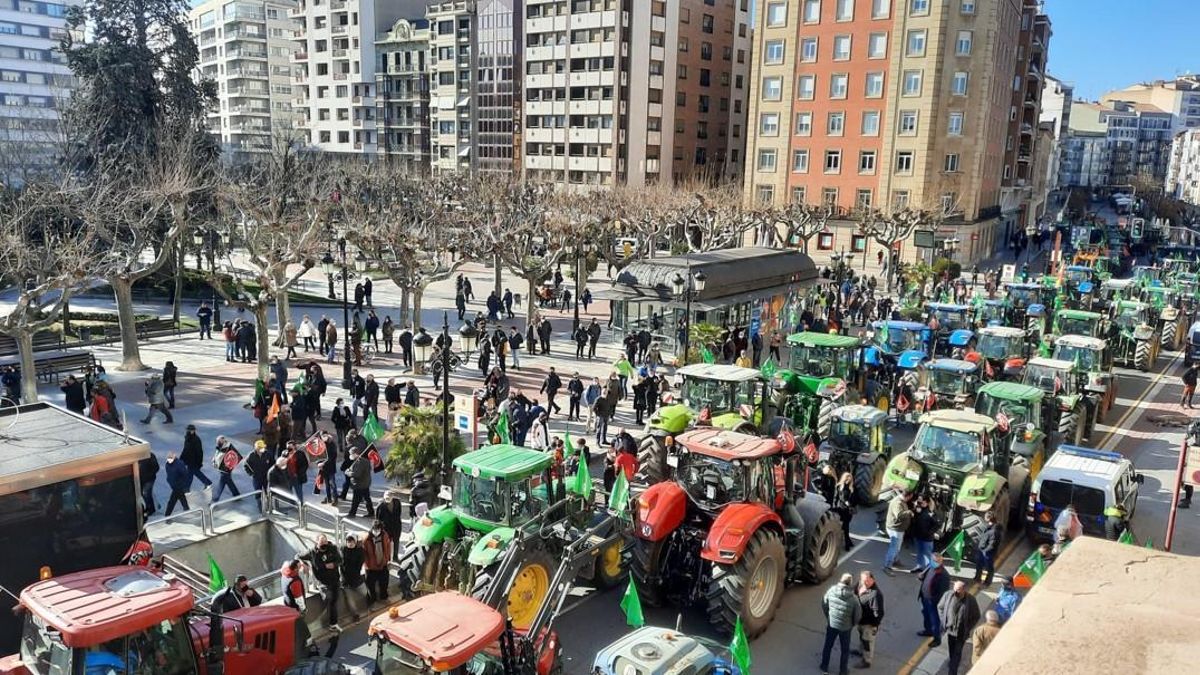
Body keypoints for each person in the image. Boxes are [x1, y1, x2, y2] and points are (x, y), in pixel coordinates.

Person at [938, 580, 981, 675]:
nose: (955, 592)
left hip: (961, 633)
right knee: (951, 649)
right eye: (954, 589)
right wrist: (943, 620)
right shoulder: (948, 595)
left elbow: (976, 616)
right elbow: (940, 607)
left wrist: (968, 627)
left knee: (957, 653)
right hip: (950, 630)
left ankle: (952, 671)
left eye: (958, 590)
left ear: (964, 590)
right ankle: (953, 661)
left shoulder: (971, 600)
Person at [820, 573, 861, 675]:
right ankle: (843, 671)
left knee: (828, 645)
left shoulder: (831, 590)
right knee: (845, 649)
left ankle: (824, 666)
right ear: (850, 583)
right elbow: (857, 615)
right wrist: (852, 624)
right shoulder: (854, 599)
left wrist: (829, 617)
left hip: (832, 624)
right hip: (845, 628)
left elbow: (824, 604)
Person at [300, 534, 342, 628]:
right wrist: (303, 564)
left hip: (335, 580)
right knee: (328, 599)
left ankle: (333, 623)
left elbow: (340, 560)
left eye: (325, 541)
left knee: (333, 602)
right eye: (321, 542)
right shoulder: (312, 553)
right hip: (323, 582)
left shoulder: (333, 548)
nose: (324, 544)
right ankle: (329, 622)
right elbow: (297, 556)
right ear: (317, 542)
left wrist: (334, 564)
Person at [918, 553, 950, 647]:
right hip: (925, 597)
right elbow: (924, 577)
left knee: (935, 620)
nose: (933, 563)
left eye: (936, 561)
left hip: (933, 602)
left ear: (941, 562)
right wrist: (921, 577)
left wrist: (933, 601)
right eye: (932, 560)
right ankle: (928, 630)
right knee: (925, 614)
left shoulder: (944, 575)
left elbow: (942, 593)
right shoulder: (930, 567)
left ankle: (937, 639)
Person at [855, 571, 884, 669]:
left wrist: (874, 625)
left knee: (867, 642)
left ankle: (867, 661)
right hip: (860, 621)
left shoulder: (875, 594)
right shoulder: (860, 585)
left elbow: (878, 612)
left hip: (869, 624)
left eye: (867, 581)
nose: (864, 583)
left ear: (872, 580)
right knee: (862, 638)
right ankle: (860, 651)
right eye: (863, 580)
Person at [882, 491, 913, 574]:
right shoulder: (898, 503)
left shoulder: (902, 501)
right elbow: (899, 515)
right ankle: (887, 566)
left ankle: (895, 560)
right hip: (895, 529)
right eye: (910, 497)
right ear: (908, 496)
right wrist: (909, 512)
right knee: (893, 547)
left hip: (899, 529)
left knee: (898, 546)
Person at [362, 520, 392, 604]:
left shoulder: (384, 535)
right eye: (375, 529)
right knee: (370, 586)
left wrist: (387, 559)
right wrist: (368, 564)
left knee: (384, 583)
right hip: (371, 568)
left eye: (379, 529)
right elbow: (364, 554)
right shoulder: (366, 539)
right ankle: (372, 602)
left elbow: (388, 547)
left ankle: (384, 598)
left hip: (383, 564)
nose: (377, 531)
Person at [340, 534, 367, 620]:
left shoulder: (360, 551)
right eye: (348, 542)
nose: (350, 544)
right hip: (346, 581)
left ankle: (370, 604)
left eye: (352, 542)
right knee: (350, 599)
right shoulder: (343, 550)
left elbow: (359, 565)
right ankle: (355, 615)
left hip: (357, 578)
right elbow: (341, 564)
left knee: (365, 592)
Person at [909, 497, 937, 573]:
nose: (921, 504)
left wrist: (929, 532)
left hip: (927, 538)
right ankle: (919, 566)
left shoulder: (931, 513)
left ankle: (928, 571)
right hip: (918, 536)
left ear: (927, 503)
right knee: (919, 552)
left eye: (923, 502)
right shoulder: (918, 511)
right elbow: (913, 520)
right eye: (920, 502)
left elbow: (936, 525)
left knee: (927, 554)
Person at [181, 425, 213, 490]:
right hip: (189, 460)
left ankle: (186, 488)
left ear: (194, 431)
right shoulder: (187, 438)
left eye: (191, 430)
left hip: (194, 461)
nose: (190, 431)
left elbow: (200, 452)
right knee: (195, 473)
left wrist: (199, 462)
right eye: (188, 430)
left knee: (190, 474)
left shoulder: (196, 440)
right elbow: (185, 449)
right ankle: (207, 482)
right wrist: (181, 459)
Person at [211, 436, 243, 502]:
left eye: (218, 441)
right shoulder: (220, 447)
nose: (217, 443)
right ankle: (237, 495)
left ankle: (215, 499)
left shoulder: (227, 448)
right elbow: (217, 455)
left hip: (225, 469)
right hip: (223, 469)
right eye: (217, 441)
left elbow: (234, 457)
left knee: (221, 484)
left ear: (222, 441)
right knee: (229, 482)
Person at [973, 511, 1001, 585]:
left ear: (989, 519)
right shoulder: (988, 527)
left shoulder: (994, 531)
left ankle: (987, 582)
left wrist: (985, 550)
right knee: (979, 564)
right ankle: (977, 578)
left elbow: (992, 544)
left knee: (989, 568)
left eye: (985, 517)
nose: (984, 518)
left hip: (988, 553)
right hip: (982, 550)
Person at [376, 492, 405, 561]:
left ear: (392, 497)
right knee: (386, 543)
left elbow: (399, 513)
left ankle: (395, 557)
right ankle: (387, 558)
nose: (388, 499)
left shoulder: (397, 502)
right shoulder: (381, 505)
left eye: (389, 497)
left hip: (396, 526)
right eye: (386, 498)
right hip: (386, 527)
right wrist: (379, 528)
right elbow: (378, 518)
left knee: (396, 541)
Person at [347, 450, 375, 518]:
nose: (350, 456)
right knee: (367, 498)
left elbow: (357, 474)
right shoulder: (364, 460)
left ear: (356, 454)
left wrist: (348, 473)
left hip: (359, 484)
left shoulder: (360, 462)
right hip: (365, 483)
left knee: (356, 500)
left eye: (351, 454)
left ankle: (352, 514)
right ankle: (371, 513)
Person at [245, 440, 272, 511]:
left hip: (266, 477)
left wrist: (270, 473)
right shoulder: (251, 456)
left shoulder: (267, 454)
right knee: (257, 492)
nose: (263, 449)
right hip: (256, 478)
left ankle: (269, 506)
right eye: (261, 448)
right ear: (257, 448)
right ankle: (260, 506)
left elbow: (273, 463)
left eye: (263, 447)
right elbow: (246, 465)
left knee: (267, 492)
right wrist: (251, 473)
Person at [832, 472, 855, 552]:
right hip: (840, 509)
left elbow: (855, 499)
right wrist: (834, 507)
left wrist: (850, 504)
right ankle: (847, 543)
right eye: (847, 478)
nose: (848, 480)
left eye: (850, 478)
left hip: (848, 511)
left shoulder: (852, 488)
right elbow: (836, 497)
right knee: (843, 527)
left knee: (845, 527)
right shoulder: (839, 487)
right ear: (844, 478)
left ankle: (847, 543)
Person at [138, 451, 159, 516]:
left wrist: (149, 474)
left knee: (146, 493)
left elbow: (156, 467)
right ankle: (147, 507)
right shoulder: (136, 457)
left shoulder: (150, 456)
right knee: (140, 494)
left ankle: (151, 509)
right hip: (140, 479)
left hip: (149, 479)